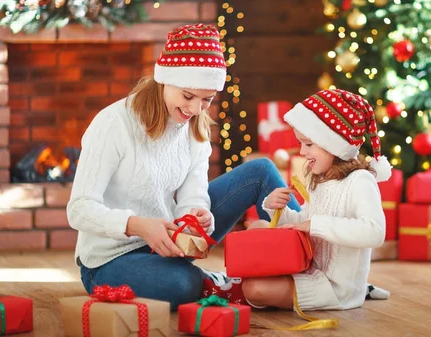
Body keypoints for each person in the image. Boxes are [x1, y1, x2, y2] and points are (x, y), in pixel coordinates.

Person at [66, 23, 299, 311]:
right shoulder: (114, 124)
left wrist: (196, 218)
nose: (195, 109)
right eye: (188, 96)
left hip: (170, 243)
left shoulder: (195, 128)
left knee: (261, 171)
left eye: (207, 100)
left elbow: (192, 197)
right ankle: (229, 285)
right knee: (183, 284)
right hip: (110, 261)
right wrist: (137, 226)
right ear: (164, 80)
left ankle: (311, 265)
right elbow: (79, 209)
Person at [240, 89, 392, 310]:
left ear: (334, 144)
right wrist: (277, 210)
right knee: (258, 226)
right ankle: (242, 281)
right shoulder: (320, 179)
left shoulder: (360, 181)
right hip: (308, 268)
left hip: (334, 287)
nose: (302, 151)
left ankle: (361, 290)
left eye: (308, 144)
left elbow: (375, 232)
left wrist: (315, 225)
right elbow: (304, 220)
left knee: (254, 290)